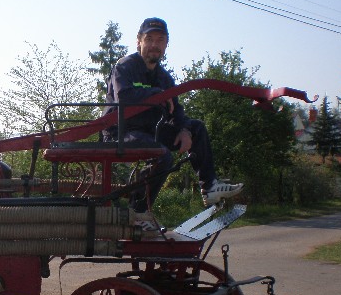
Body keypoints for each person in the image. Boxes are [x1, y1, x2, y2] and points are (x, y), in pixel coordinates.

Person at [103, 17, 243, 219]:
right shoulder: (125, 67)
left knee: (197, 128)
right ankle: (138, 213)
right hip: (121, 132)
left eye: (160, 40)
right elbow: (124, 97)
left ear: (166, 45)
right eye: (149, 39)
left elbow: (176, 110)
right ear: (139, 41)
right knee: (162, 154)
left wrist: (184, 130)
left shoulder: (164, 77)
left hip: (149, 131)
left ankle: (210, 186)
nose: (154, 45)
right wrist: (156, 94)